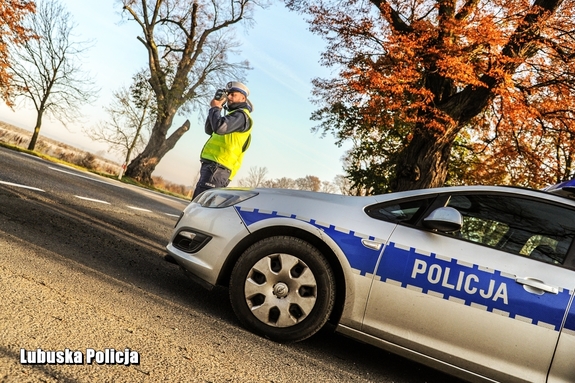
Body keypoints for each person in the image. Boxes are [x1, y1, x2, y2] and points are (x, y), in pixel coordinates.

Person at [192, 81, 254, 200]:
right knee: (202, 205)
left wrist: (215, 108)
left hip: (218, 168)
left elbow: (219, 127)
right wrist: (216, 109)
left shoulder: (241, 116)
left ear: (243, 98)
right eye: (228, 94)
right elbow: (209, 129)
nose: (229, 97)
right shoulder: (233, 115)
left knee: (199, 205)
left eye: (233, 94)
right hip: (214, 167)